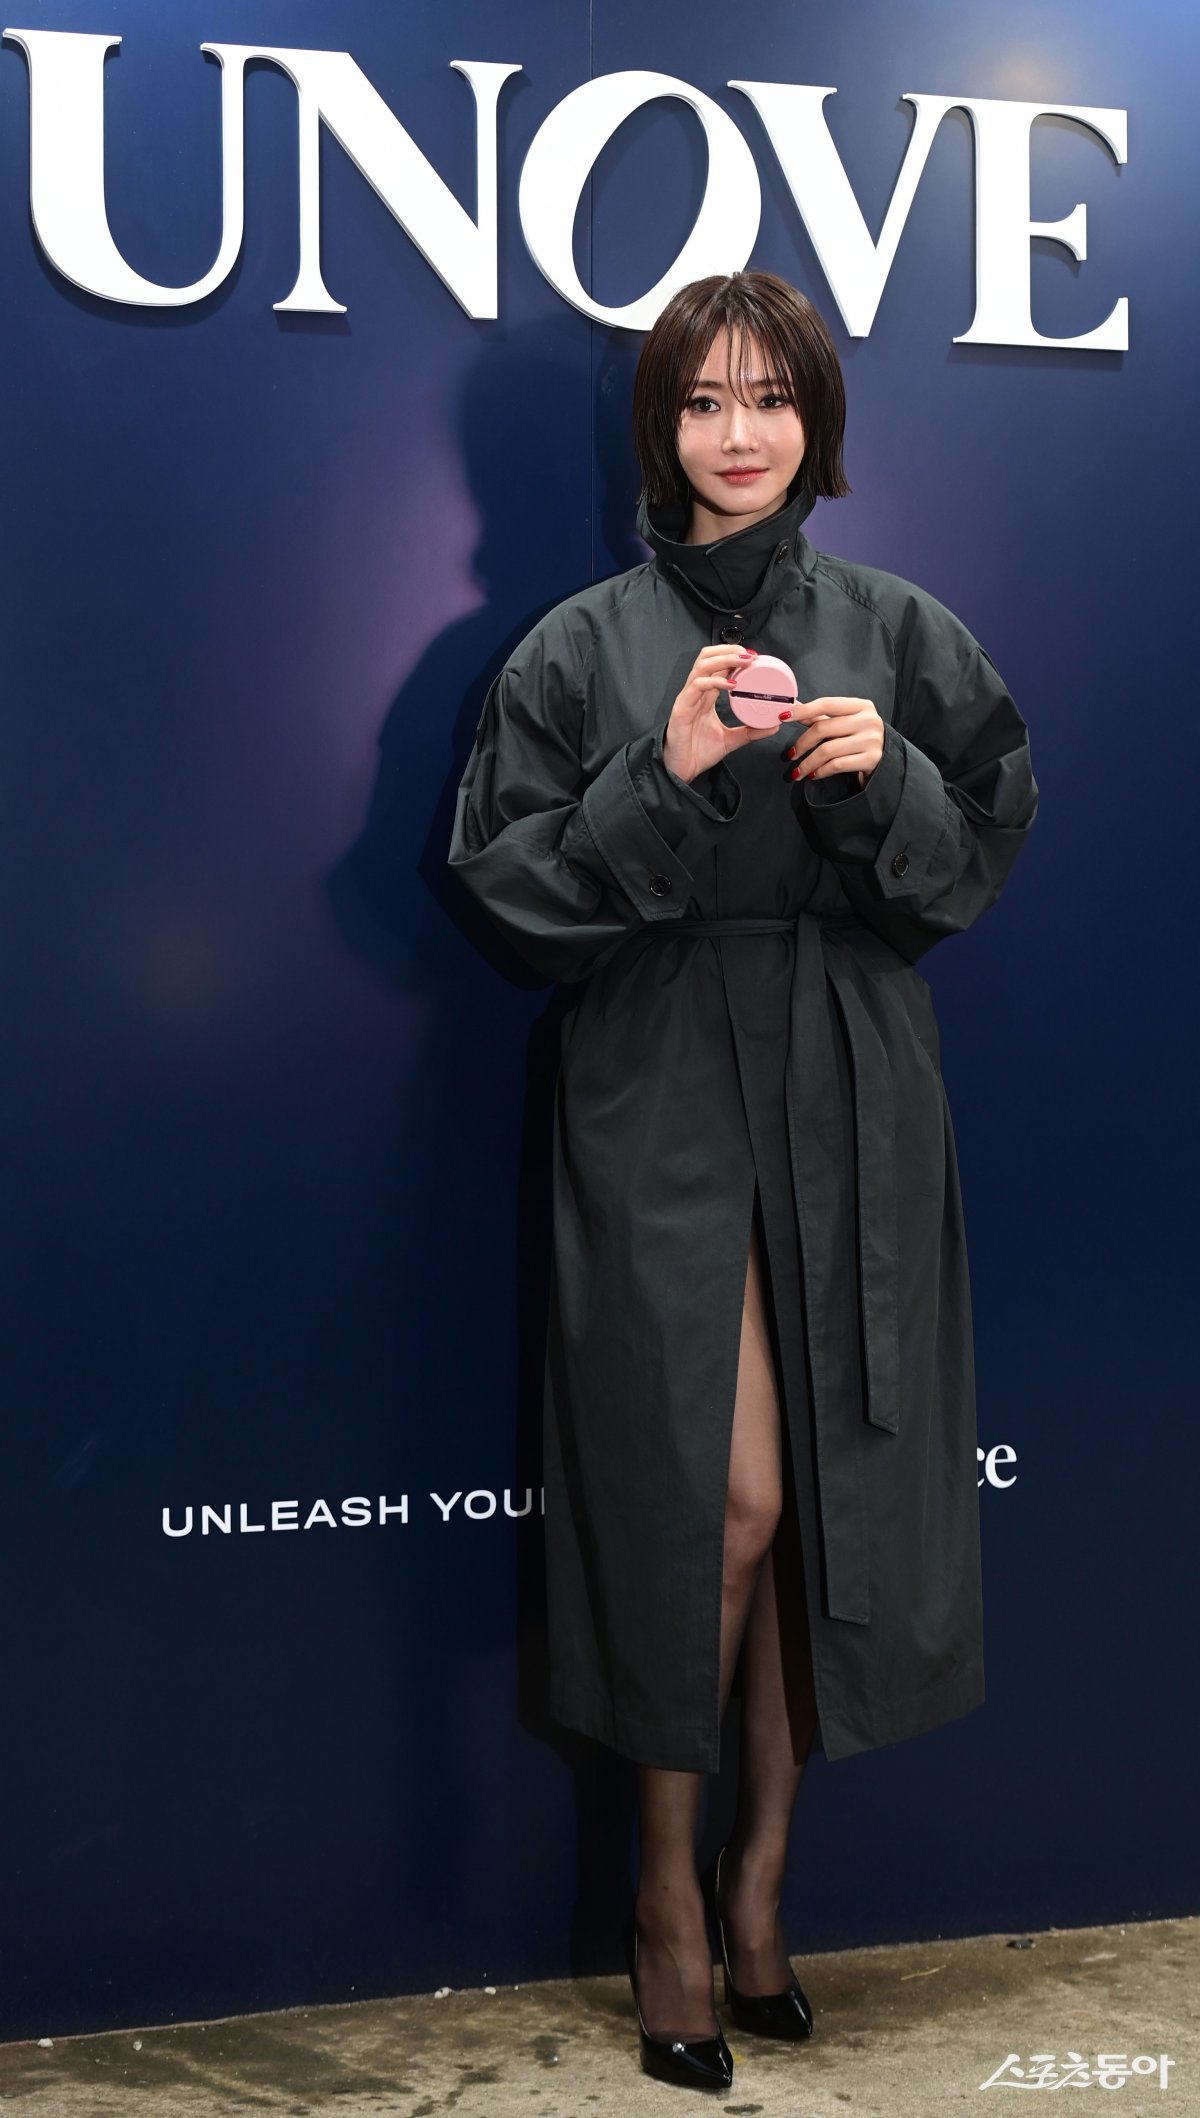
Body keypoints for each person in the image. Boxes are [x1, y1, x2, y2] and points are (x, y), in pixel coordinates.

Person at [448, 269, 1038, 2092]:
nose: (739, 432)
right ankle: (663, 1899)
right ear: (660, 428)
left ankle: (763, 1889)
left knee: (825, 1512)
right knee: (712, 1504)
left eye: (770, 396)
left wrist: (884, 783)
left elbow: (970, 857)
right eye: (702, 400)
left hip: (852, 1082)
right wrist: (667, 771)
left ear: (817, 420)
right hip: (658, 1087)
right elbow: (506, 893)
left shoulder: (898, 628)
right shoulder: (577, 647)